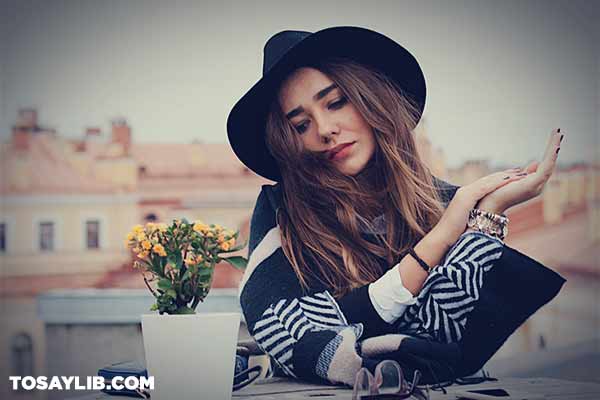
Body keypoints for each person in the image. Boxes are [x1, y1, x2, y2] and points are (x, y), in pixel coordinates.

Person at [226, 27, 566, 387]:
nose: (324, 129)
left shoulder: (448, 203)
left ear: (371, 98)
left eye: (336, 102)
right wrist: (443, 236)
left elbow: (440, 343)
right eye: (301, 124)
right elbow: (292, 336)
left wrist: (486, 216)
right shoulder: (282, 214)